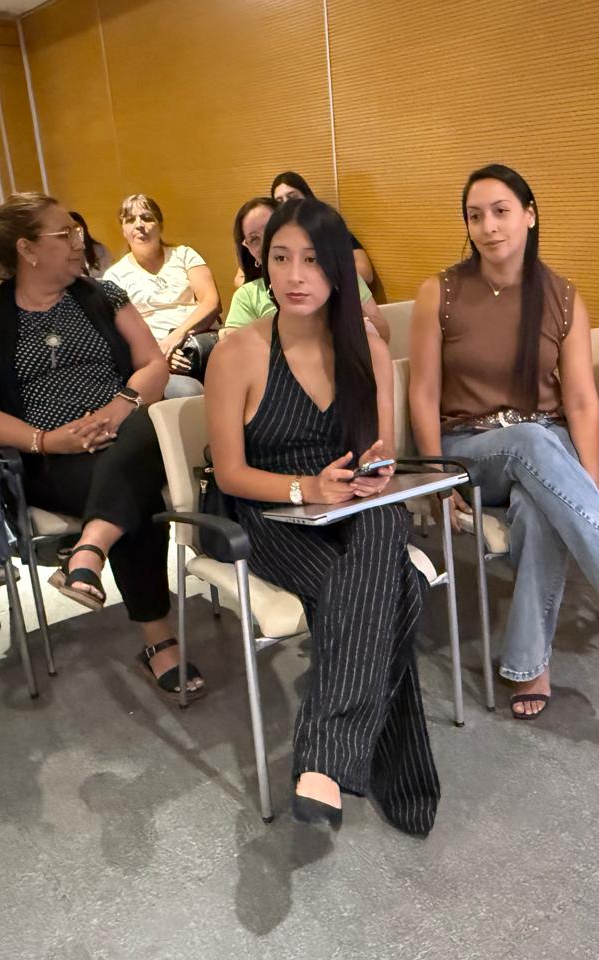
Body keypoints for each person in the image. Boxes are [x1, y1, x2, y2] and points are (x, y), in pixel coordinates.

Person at [408, 163, 599, 720]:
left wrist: (585, 484)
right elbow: (424, 390)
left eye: (501, 212)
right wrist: (434, 477)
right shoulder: (442, 292)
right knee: (530, 440)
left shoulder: (562, 295)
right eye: (475, 216)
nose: (488, 227)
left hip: (542, 449)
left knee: (540, 509)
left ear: (530, 215)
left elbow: (579, 400)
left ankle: (527, 664)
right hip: (469, 449)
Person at [206, 197, 437, 835]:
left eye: (311, 260)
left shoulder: (365, 346)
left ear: (338, 269)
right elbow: (229, 474)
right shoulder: (237, 353)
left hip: (350, 502)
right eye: (280, 259)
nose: (294, 276)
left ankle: (324, 760)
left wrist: (375, 471)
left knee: (384, 525)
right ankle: (377, 772)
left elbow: (381, 449)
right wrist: (306, 488)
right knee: (398, 586)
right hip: (269, 510)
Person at [0, 192, 203, 703]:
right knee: (133, 493)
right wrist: (47, 439)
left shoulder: (103, 295)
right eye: (64, 234)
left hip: (125, 431)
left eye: (76, 231)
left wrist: (119, 407)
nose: (78, 242)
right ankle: (157, 639)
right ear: (27, 249)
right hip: (47, 458)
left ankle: (90, 548)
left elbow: (152, 364)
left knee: (149, 424)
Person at [226, 196, 388, 341]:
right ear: (247, 248)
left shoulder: (340, 274)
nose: (266, 243)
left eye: (271, 229)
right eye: (254, 239)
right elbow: (235, 353)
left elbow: (381, 332)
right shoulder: (246, 297)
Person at [103, 195, 217, 397]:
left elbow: (211, 302)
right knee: (188, 391)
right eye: (130, 220)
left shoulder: (184, 255)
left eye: (147, 218)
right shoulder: (115, 276)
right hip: (156, 361)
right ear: (123, 231)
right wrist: (159, 355)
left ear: (160, 225)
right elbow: (121, 334)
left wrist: (177, 337)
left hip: (200, 345)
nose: (139, 225)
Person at [269, 172, 377, 289]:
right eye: (279, 201)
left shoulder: (328, 226)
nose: (287, 205)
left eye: (292, 197)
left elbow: (366, 273)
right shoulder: (276, 238)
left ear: (306, 197)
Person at [69, 211, 112, 278]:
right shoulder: (63, 255)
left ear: (84, 228)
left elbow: (108, 275)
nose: (76, 232)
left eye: (77, 227)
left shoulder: (100, 250)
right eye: (70, 229)